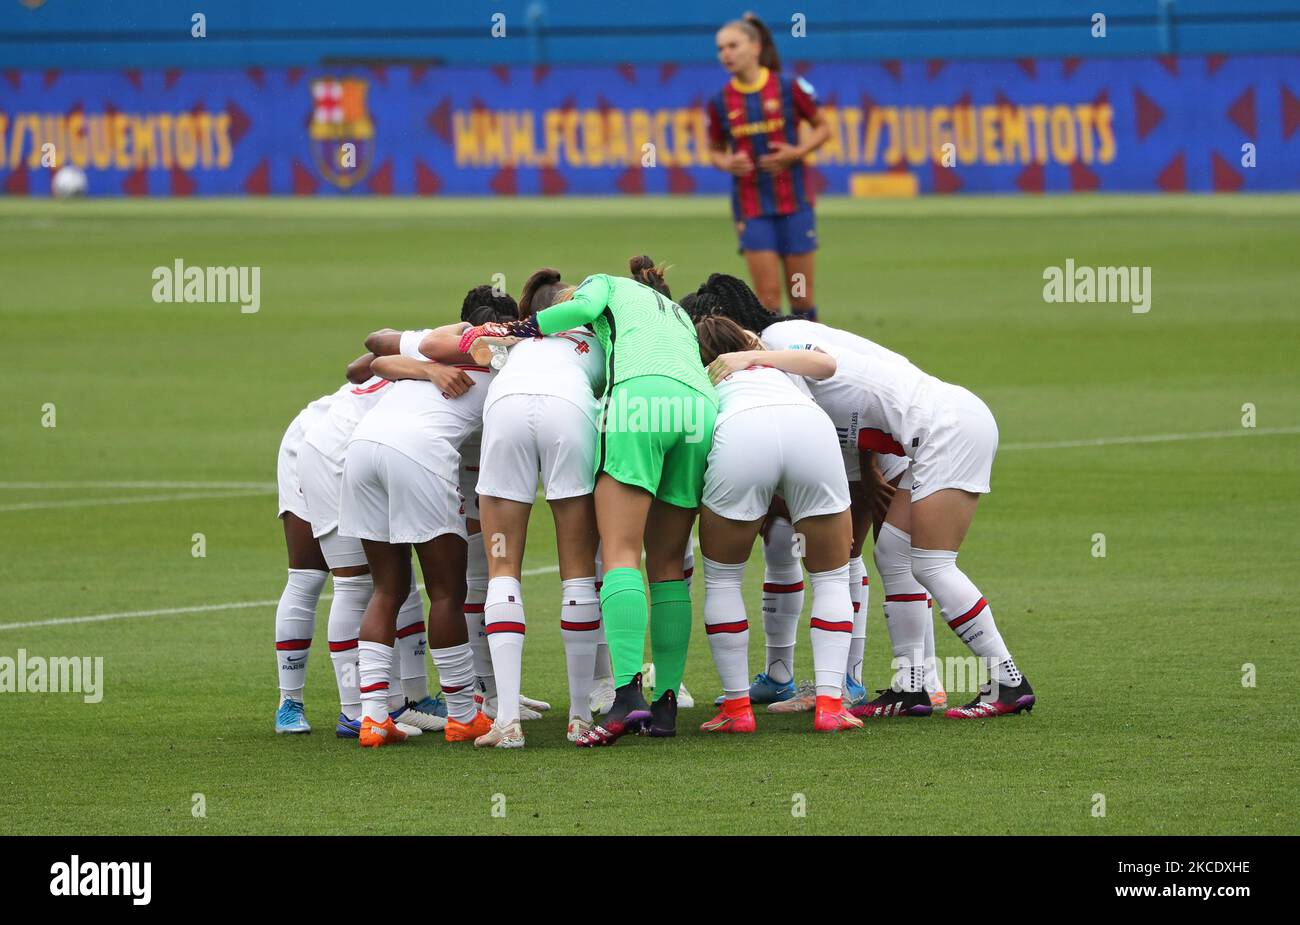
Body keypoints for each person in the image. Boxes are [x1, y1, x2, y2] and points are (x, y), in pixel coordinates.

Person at [460, 257, 718, 746]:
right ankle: (664, 706)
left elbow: (578, 307)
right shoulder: (673, 312)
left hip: (635, 401)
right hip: (697, 407)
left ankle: (622, 695)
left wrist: (519, 327)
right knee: (666, 564)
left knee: (619, 553)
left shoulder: (603, 287)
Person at [693, 315, 863, 733]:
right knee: (832, 578)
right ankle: (830, 705)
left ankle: (736, 711)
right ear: (745, 339)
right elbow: (828, 364)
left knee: (723, 581)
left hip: (741, 432)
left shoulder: (703, 374)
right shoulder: (777, 361)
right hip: (810, 429)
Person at [469, 268, 607, 747]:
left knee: (502, 568)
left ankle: (506, 721)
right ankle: (579, 716)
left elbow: (451, 345)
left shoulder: (515, 339)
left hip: (506, 410)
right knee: (577, 571)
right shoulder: (599, 342)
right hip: (569, 413)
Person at [338, 325, 493, 747]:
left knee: (387, 588)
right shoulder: (504, 363)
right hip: (418, 453)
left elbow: (373, 359)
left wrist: (426, 370)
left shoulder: (437, 356)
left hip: (362, 450)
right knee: (446, 592)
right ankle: (462, 716)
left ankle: (372, 719)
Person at [706, 14, 830, 320]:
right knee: (768, 299)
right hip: (752, 208)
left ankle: (810, 363)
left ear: (755, 46)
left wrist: (796, 152)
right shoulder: (721, 101)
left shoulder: (789, 88)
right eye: (721, 48)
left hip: (795, 204)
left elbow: (823, 127)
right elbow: (714, 150)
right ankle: (776, 367)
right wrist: (728, 162)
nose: (726, 54)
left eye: (733, 45)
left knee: (801, 297)